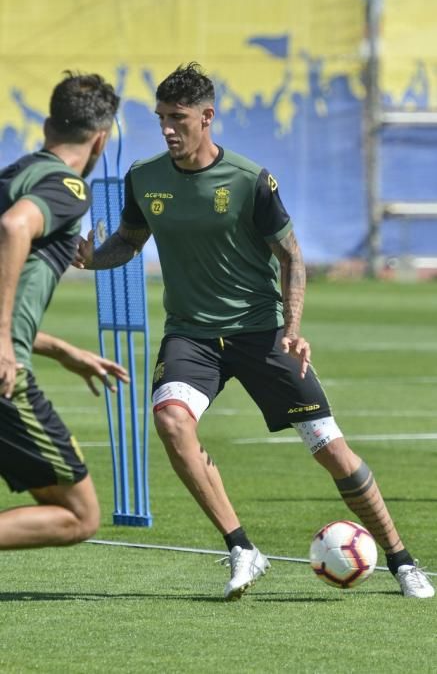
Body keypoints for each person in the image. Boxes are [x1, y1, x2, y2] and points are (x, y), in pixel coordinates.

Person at [75, 62, 434, 600]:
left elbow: (292, 257)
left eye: (179, 118)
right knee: (172, 423)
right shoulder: (144, 179)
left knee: (330, 449)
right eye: (161, 119)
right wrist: (93, 258)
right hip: (191, 336)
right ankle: (242, 548)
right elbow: (129, 240)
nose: (168, 128)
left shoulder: (250, 181)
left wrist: (292, 329)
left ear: (207, 116)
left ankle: (402, 560)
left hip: (261, 332)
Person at [0, 70, 128, 550]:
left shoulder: (12, 176)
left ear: (49, 126)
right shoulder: (69, 188)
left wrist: (59, 349)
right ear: (100, 140)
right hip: (5, 374)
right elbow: (15, 228)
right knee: (78, 515)